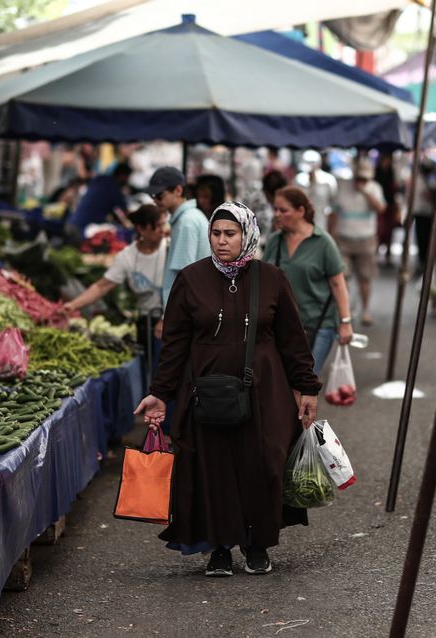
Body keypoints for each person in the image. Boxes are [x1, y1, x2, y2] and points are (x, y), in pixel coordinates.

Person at [134, 201, 321, 577]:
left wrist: (307, 388)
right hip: (205, 392)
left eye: (230, 234)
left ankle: (257, 545)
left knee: (264, 462)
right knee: (212, 467)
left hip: (265, 393)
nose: (221, 241)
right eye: (216, 234)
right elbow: (174, 345)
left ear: (246, 234)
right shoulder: (191, 279)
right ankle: (219, 547)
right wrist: (161, 392)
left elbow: (292, 339)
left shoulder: (271, 279)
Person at [63, 204, 168, 376]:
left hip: (171, 322)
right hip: (147, 325)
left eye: (163, 224)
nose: (162, 230)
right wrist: (73, 305)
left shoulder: (171, 248)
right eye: (157, 226)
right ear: (141, 228)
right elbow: (102, 286)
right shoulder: (127, 257)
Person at [264, 186, 353, 374]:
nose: (277, 214)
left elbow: (338, 284)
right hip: (282, 327)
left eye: (283, 210)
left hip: (318, 325)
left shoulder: (323, 242)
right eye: (275, 209)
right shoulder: (275, 241)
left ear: (300, 211)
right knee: (282, 384)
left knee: (305, 383)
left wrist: (345, 322)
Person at [145, 166, 210, 337]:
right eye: (153, 196)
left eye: (159, 195)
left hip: (187, 315)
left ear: (178, 190)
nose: (155, 200)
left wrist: (168, 317)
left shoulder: (187, 222)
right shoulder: (190, 217)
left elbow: (185, 275)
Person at [329, 159, 385, 326]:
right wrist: (331, 236)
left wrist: (366, 193)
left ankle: (365, 311)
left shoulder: (374, 188)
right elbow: (334, 212)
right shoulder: (343, 187)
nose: (361, 182)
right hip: (343, 239)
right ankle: (347, 310)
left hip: (366, 239)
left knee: (365, 278)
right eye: (359, 178)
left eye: (364, 179)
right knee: (342, 277)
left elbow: (380, 208)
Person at [65, 162, 131, 241]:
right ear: (122, 176)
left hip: (70, 223)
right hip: (82, 230)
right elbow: (126, 213)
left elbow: (107, 206)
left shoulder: (99, 179)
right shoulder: (114, 188)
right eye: (127, 177)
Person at [294, 150, 338, 231]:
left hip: (321, 223)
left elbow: (333, 204)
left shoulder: (328, 180)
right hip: (302, 224)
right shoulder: (298, 180)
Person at [374, 153, 401, 267]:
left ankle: (387, 256)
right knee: (379, 231)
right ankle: (375, 254)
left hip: (389, 206)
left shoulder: (391, 173)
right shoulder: (377, 174)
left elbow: (393, 191)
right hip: (380, 206)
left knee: (389, 232)